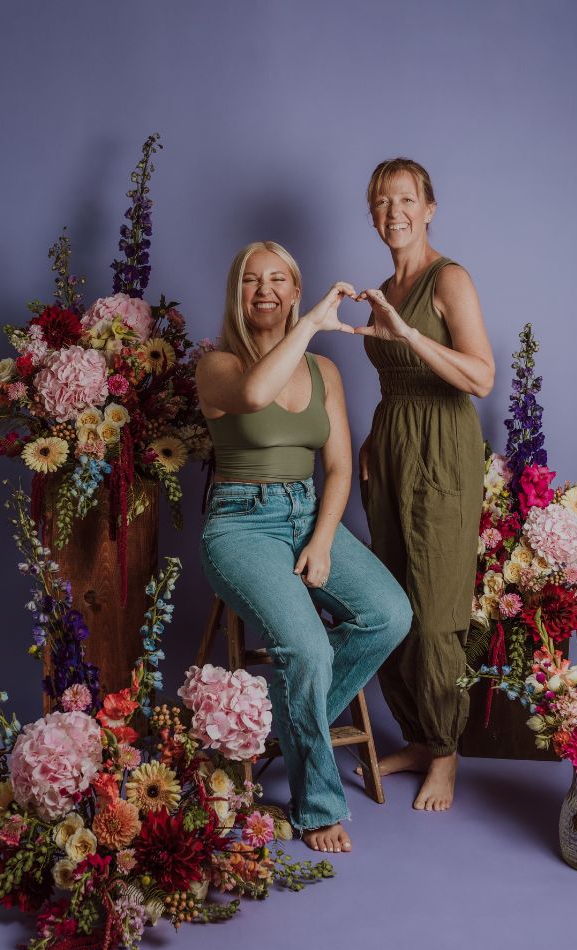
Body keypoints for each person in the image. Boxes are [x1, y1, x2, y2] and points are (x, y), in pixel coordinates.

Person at [196, 241, 413, 853]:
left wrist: (321, 542)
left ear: (294, 289)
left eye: (279, 280)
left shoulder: (326, 373)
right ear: (237, 294)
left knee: (390, 614)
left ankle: (288, 719)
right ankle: (317, 806)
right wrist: (314, 322)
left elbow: (340, 469)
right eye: (250, 280)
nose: (264, 290)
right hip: (240, 526)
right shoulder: (216, 366)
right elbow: (256, 395)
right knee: (310, 649)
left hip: (308, 514)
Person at [354, 159, 495, 811]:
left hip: (442, 446)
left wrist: (408, 332)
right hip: (392, 447)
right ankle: (416, 735)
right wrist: (370, 446)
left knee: (437, 609)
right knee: (394, 600)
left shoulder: (449, 279)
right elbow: (396, 384)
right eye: (381, 203)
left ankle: (446, 752)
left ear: (430, 207)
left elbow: (480, 377)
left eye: (405, 200)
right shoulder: (386, 284)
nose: (393, 214)